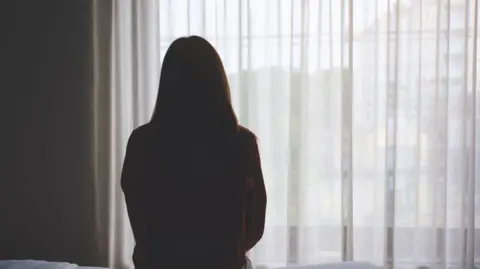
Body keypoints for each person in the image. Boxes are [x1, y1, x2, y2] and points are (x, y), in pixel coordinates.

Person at [121, 36, 267, 269]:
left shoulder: (141, 143)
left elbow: (140, 221)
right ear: (218, 84)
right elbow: (256, 225)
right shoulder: (242, 144)